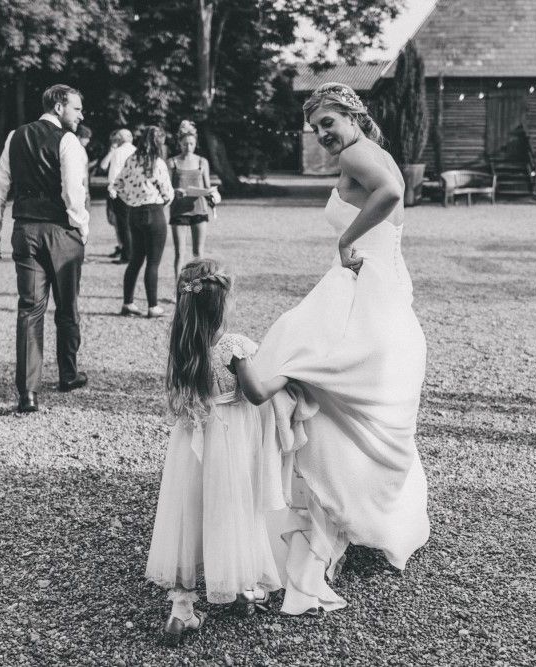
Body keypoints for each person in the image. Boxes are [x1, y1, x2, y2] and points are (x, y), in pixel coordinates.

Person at [254, 83, 430, 615]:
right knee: (340, 394)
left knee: (310, 377)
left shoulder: (359, 152)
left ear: (353, 115)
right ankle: (343, 515)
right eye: (315, 129)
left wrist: (345, 239)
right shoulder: (373, 151)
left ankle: (323, 520)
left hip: (364, 284)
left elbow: (390, 197)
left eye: (328, 122)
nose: (323, 135)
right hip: (380, 286)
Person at [145, 258, 286, 645]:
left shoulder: (183, 342)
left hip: (191, 440)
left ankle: (181, 609)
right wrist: (285, 377)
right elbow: (257, 394)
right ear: (222, 303)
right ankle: (242, 588)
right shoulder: (233, 345)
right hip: (229, 438)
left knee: (188, 516)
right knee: (234, 507)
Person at [0, 83, 90, 414]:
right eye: (76, 108)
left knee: (30, 309)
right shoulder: (68, 141)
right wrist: (82, 228)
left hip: (25, 229)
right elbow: (73, 192)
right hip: (61, 231)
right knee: (67, 306)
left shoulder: (15, 136)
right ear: (59, 106)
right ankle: (68, 374)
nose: (81, 115)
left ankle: (28, 392)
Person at [114, 126, 174, 318]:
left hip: (134, 212)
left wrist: (129, 200)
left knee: (135, 260)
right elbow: (167, 192)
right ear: (158, 143)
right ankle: (153, 306)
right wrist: (165, 200)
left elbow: (116, 185)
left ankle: (128, 302)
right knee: (153, 262)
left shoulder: (131, 160)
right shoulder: (157, 162)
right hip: (154, 211)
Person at [167, 120, 215, 279]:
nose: (188, 147)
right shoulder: (173, 162)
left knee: (198, 253)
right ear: (179, 143)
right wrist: (175, 191)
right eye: (185, 144)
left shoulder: (202, 162)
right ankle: (178, 288)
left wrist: (213, 194)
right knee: (180, 252)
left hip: (199, 210)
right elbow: (166, 188)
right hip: (179, 210)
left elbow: (208, 187)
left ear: (196, 144)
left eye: (191, 144)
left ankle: (198, 287)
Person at [105, 128, 136, 264]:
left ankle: (127, 255)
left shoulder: (118, 152)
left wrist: (112, 189)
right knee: (133, 224)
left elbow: (114, 172)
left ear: (120, 139)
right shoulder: (136, 151)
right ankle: (135, 252)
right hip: (136, 192)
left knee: (123, 225)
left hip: (122, 192)